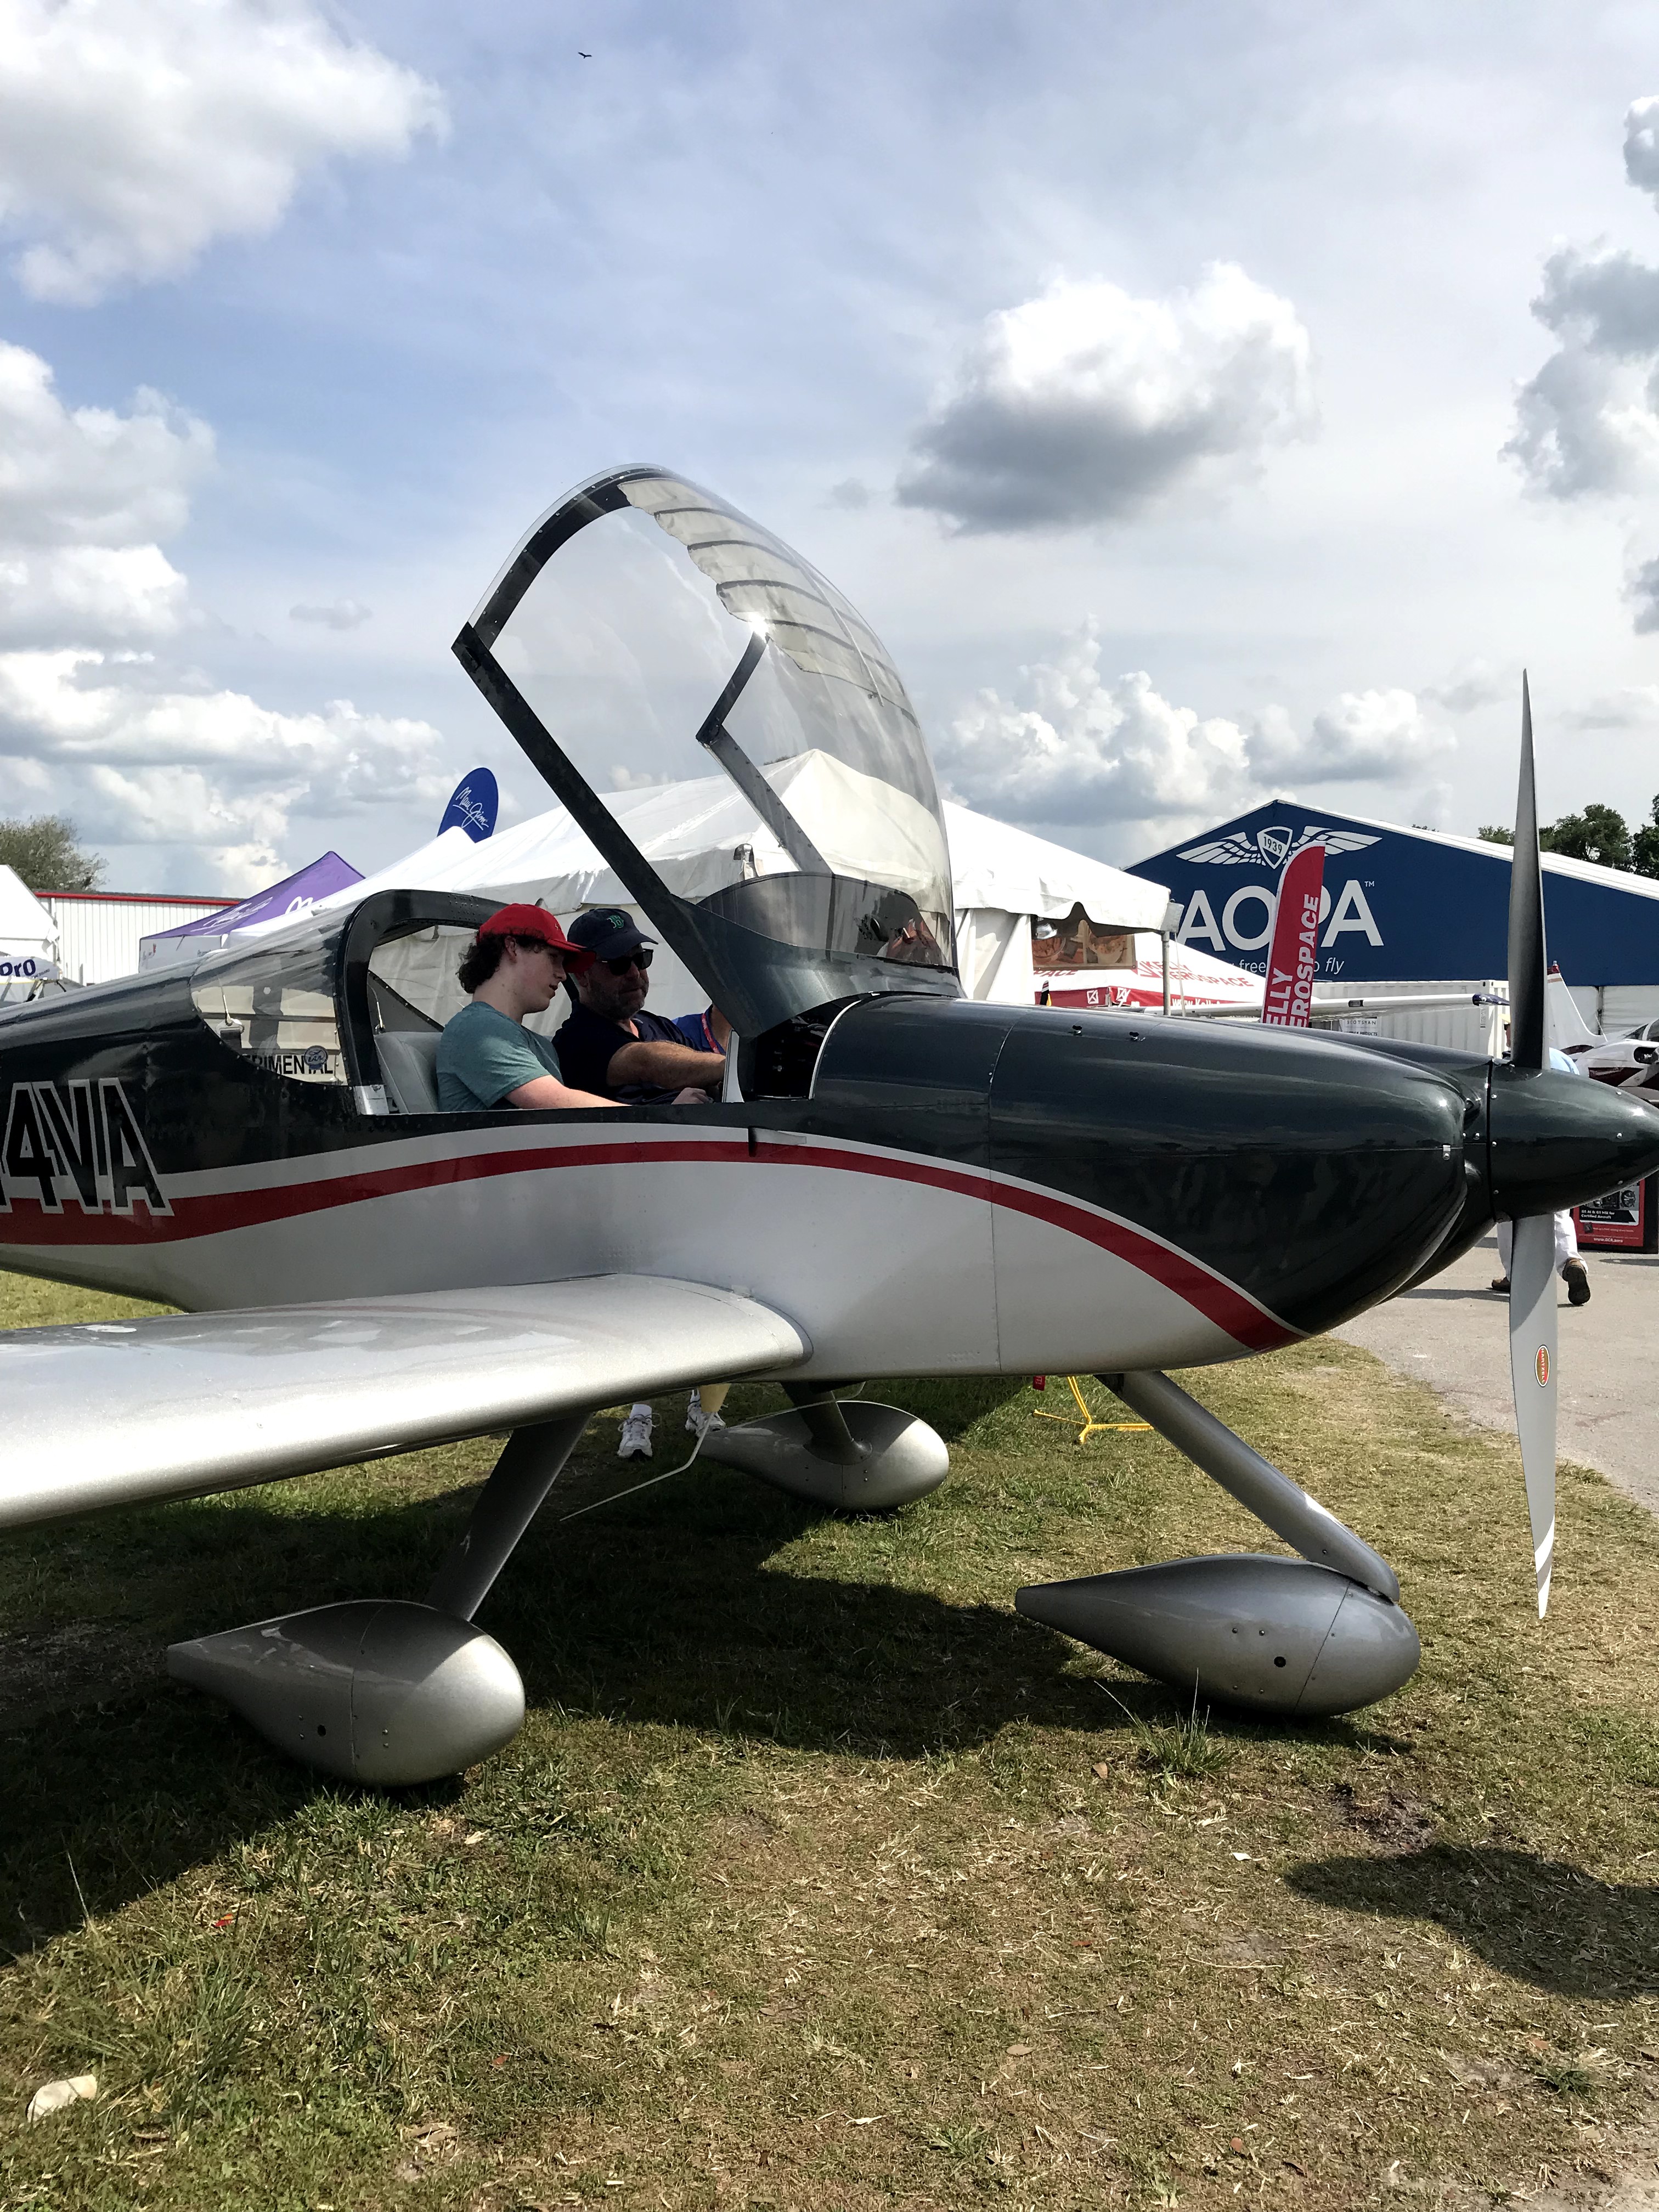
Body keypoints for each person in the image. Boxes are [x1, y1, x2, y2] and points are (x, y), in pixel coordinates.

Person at [436, 905, 617, 1113]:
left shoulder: (540, 1045)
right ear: (512, 948)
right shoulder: (479, 1030)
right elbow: (560, 1107)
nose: (562, 974)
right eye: (553, 957)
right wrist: (646, 1122)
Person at [554, 908, 731, 1104]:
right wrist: (731, 1067)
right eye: (618, 964)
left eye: (641, 959)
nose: (635, 973)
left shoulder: (658, 1026)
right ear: (582, 975)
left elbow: (706, 1074)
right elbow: (644, 1062)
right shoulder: (574, 1041)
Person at [1492, 1043, 1592, 1306]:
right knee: (1558, 1210)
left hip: (1521, 1142)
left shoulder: (1510, 1061)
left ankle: (1515, 1275)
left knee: (1507, 1211)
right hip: (1561, 1140)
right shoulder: (1564, 1060)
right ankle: (1571, 1261)